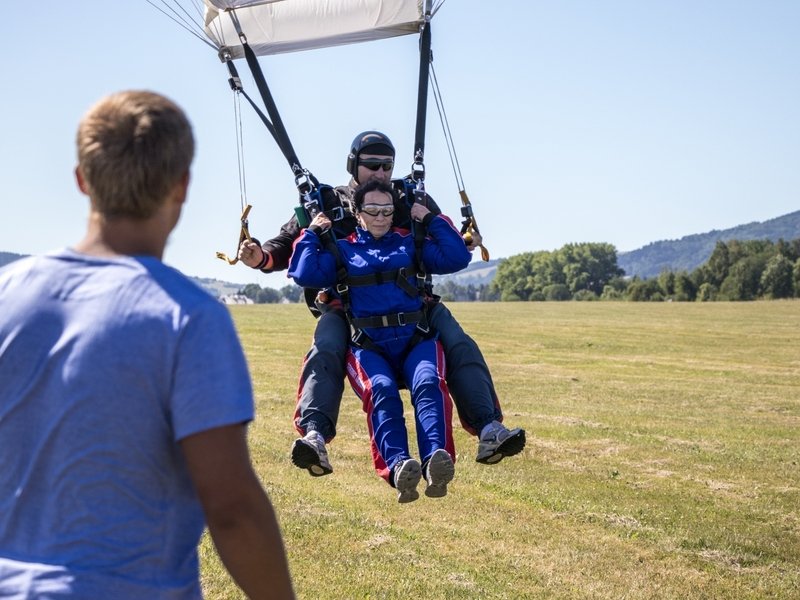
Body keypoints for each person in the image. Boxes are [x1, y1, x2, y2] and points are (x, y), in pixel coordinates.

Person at [0, 91, 295, 599]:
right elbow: (232, 508)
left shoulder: (8, 291)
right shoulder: (188, 316)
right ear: (181, 186)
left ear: (81, 180)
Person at [238, 131, 525, 476]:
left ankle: (488, 428)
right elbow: (288, 245)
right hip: (346, 309)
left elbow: (445, 243)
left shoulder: (408, 198)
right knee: (326, 346)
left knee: (458, 341)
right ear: (354, 165)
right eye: (372, 165)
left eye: (387, 166)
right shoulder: (327, 202)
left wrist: (465, 237)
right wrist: (260, 256)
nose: (380, 173)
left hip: (412, 305)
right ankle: (314, 435)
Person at [288, 180, 471, 502]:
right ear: (357, 214)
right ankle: (399, 467)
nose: (381, 218)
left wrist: (430, 219)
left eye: (387, 211)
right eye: (372, 211)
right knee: (381, 390)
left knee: (430, 382)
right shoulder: (342, 249)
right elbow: (304, 273)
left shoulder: (410, 244)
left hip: (416, 338)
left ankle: (436, 460)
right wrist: (312, 232)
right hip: (368, 343)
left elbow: (456, 258)